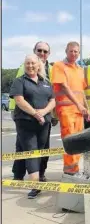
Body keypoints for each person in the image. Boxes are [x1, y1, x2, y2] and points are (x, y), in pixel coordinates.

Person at [9, 41, 57, 182]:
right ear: (34, 51)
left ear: (49, 54)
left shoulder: (51, 70)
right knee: (24, 148)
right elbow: (18, 95)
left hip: (45, 117)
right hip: (24, 116)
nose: (42, 53)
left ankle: (39, 175)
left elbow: (53, 95)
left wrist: (51, 114)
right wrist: (16, 111)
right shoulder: (23, 69)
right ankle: (19, 175)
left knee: (42, 147)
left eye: (45, 51)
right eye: (39, 50)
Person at [51, 41, 90, 175]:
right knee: (69, 139)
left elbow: (82, 92)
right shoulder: (59, 66)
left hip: (79, 111)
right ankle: (69, 171)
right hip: (66, 109)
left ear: (79, 53)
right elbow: (64, 87)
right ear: (66, 51)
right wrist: (79, 105)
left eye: (76, 52)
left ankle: (75, 168)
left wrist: (87, 109)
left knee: (79, 140)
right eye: (71, 51)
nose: (74, 54)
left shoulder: (80, 70)